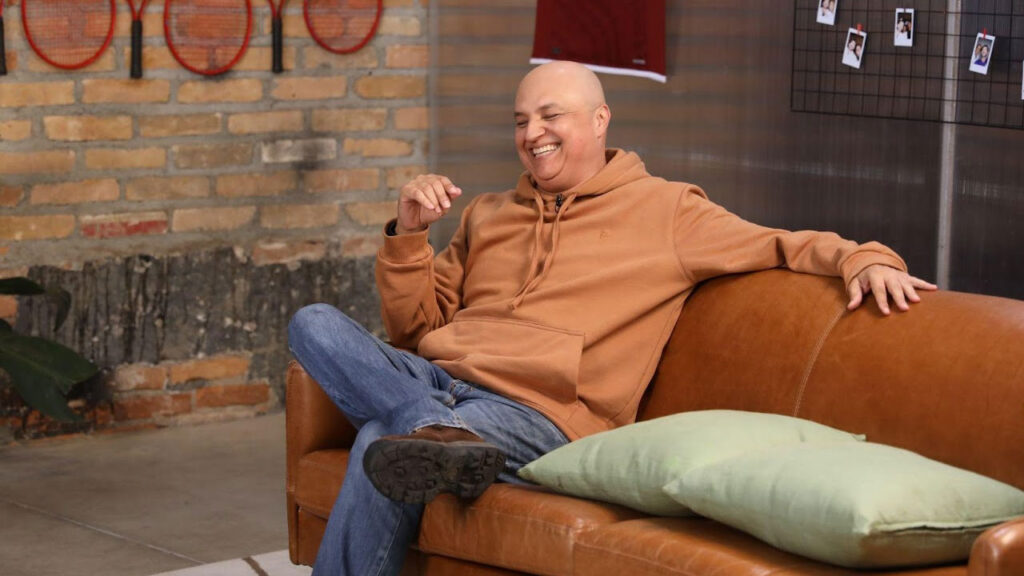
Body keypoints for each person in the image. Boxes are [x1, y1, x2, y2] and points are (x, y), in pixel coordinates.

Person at [288, 60, 936, 576]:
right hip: (439, 383)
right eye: (521, 120)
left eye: (551, 116)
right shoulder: (487, 213)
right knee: (313, 322)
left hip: (537, 413)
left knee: (381, 439)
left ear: (600, 120)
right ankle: (437, 431)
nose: (532, 133)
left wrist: (864, 259)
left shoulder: (668, 211)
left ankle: (429, 430)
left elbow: (781, 243)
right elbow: (414, 332)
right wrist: (409, 234)